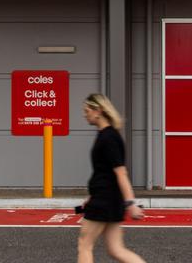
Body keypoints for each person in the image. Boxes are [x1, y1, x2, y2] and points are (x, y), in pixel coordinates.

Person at [77, 93, 146, 263]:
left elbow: (120, 172)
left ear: (98, 110)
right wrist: (91, 196)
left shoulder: (109, 138)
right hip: (107, 198)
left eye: (87, 110)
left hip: (105, 200)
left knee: (84, 244)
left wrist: (131, 203)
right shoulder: (107, 135)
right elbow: (104, 172)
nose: (84, 114)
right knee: (116, 250)